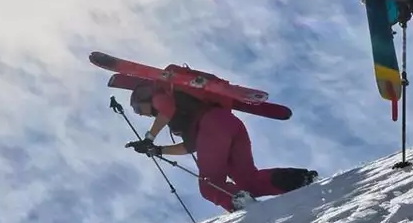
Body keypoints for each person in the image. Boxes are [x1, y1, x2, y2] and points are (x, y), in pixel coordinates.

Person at [124, 84, 318, 212]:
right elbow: (190, 146)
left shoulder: (160, 95)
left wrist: (149, 138)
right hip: (230, 124)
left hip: (211, 126)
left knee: (210, 186)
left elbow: (166, 109)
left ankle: (240, 204)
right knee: (248, 180)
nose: (140, 115)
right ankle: (297, 179)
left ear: (143, 97)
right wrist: (158, 150)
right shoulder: (181, 111)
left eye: (138, 109)